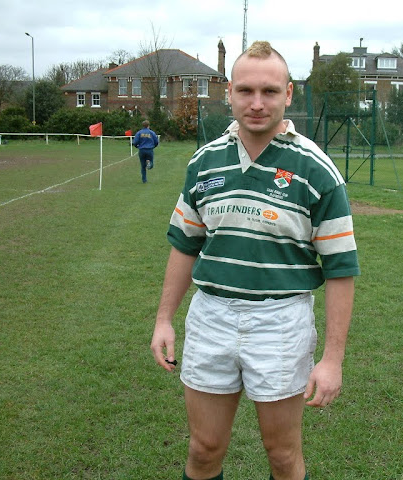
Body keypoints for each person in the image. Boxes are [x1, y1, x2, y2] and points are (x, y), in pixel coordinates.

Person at [150, 41, 359, 480]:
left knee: (282, 455)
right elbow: (185, 244)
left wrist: (333, 359)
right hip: (212, 316)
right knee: (204, 449)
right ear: (229, 93)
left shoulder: (317, 170)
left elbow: (341, 269)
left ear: (289, 94)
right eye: (246, 90)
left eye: (270, 91)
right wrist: (164, 319)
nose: (257, 103)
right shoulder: (204, 162)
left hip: (280, 322)